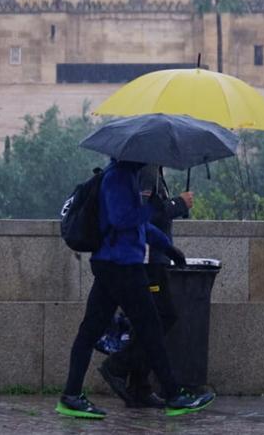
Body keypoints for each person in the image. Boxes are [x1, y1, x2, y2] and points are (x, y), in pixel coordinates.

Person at [56, 159, 216, 420]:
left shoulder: (127, 175)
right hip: (121, 266)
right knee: (151, 327)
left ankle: (71, 395)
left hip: (112, 263)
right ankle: (174, 395)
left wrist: (167, 247)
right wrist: (151, 208)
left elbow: (140, 226)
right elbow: (123, 219)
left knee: (91, 330)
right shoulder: (117, 177)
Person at [99, 166, 193, 407]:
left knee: (150, 323)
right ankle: (118, 366)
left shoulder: (153, 171)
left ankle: (139, 385)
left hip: (156, 258)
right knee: (162, 317)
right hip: (148, 261)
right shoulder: (147, 173)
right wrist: (179, 204)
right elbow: (143, 217)